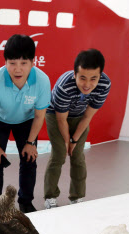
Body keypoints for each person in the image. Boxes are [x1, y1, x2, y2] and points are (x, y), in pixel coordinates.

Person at [0, 34, 51, 219]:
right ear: (5, 62)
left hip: (27, 120)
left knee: (30, 159)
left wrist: (31, 142)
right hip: (0, 121)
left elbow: (39, 115)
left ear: (33, 62)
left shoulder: (43, 81)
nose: (18, 69)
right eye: (12, 63)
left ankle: (25, 202)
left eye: (24, 63)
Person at [43, 49, 111, 210]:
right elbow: (61, 119)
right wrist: (67, 141)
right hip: (55, 115)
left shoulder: (104, 85)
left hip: (80, 116)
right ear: (75, 74)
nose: (87, 84)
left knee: (78, 157)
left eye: (93, 78)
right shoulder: (64, 86)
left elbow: (88, 117)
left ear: (100, 76)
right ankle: (50, 196)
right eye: (82, 78)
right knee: (59, 154)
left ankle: (77, 197)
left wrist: (74, 141)